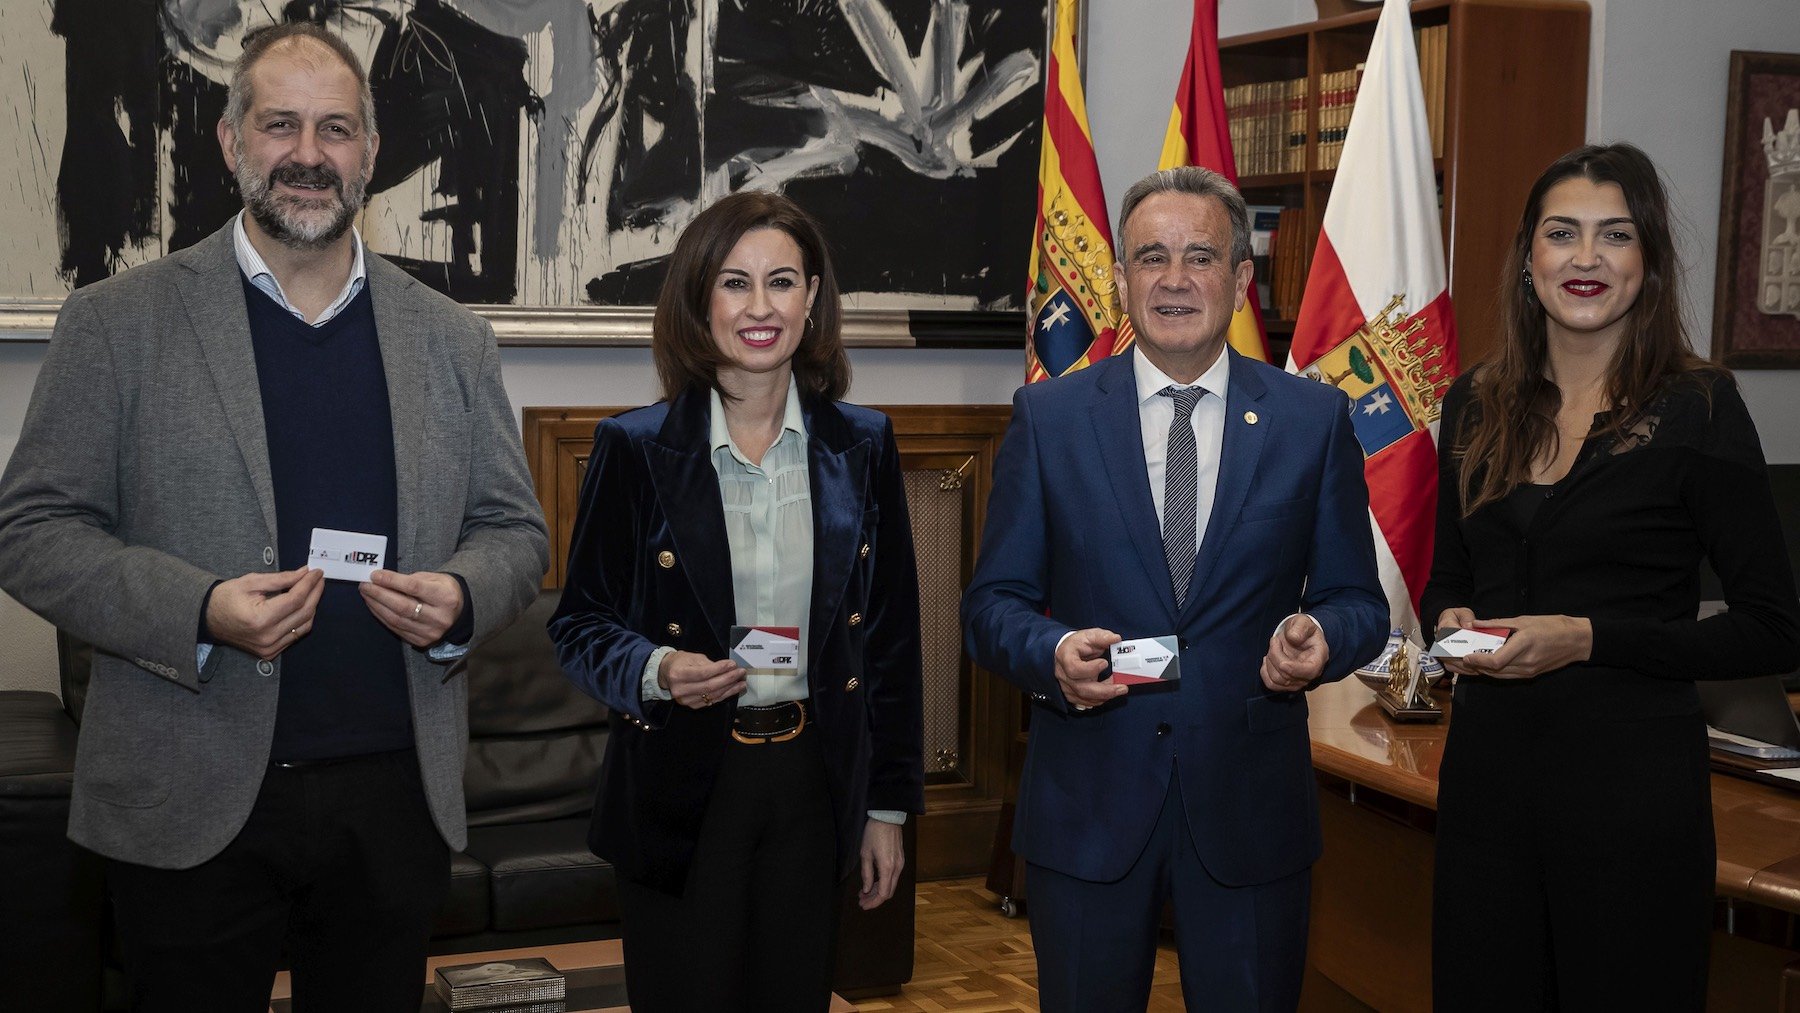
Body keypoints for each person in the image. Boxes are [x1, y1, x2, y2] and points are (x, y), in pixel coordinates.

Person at [0, 22, 549, 1012]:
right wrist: (200, 605)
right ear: (230, 141)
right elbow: (33, 531)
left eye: (335, 129)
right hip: (187, 791)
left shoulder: (453, 340)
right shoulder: (114, 324)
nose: (308, 155)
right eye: (280, 125)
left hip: (394, 800)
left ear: (371, 153)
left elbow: (517, 530)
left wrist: (466, 593)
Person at [962, 166, 1388, 1012]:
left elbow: (1361, 604)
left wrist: (1324, 639)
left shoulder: (1313, 423)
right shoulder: (1049, 419)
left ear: (1240, 281)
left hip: (1248, 813)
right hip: (1088, 807)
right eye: (1151, 257)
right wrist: (1049, 651)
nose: (1175, 278)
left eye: (1201, 256)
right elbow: (989, 608)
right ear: (1120, 281)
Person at [1423, 142, 1800, 1010]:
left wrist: (1588, 639)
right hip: (1488, 790)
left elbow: (1776, 626)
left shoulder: (1700, 409)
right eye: (1562, 233)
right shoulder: (1472, 402)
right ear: (1529, 261)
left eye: (1614, 235)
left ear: (1649, 264)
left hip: (1632, 799)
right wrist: (1453, 623)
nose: (1585, 257)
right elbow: (1447, 576)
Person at [548, 190, 923, 1012]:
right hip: (681, 787)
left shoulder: (864, 445)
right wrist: (656, 667)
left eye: (782, 281)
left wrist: (887, 806)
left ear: (813, 298)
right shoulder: (633, 448)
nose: (760, 307)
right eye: (734, 282)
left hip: (813, 787)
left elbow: (891, 643)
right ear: (698, 299)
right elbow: (577, 626)